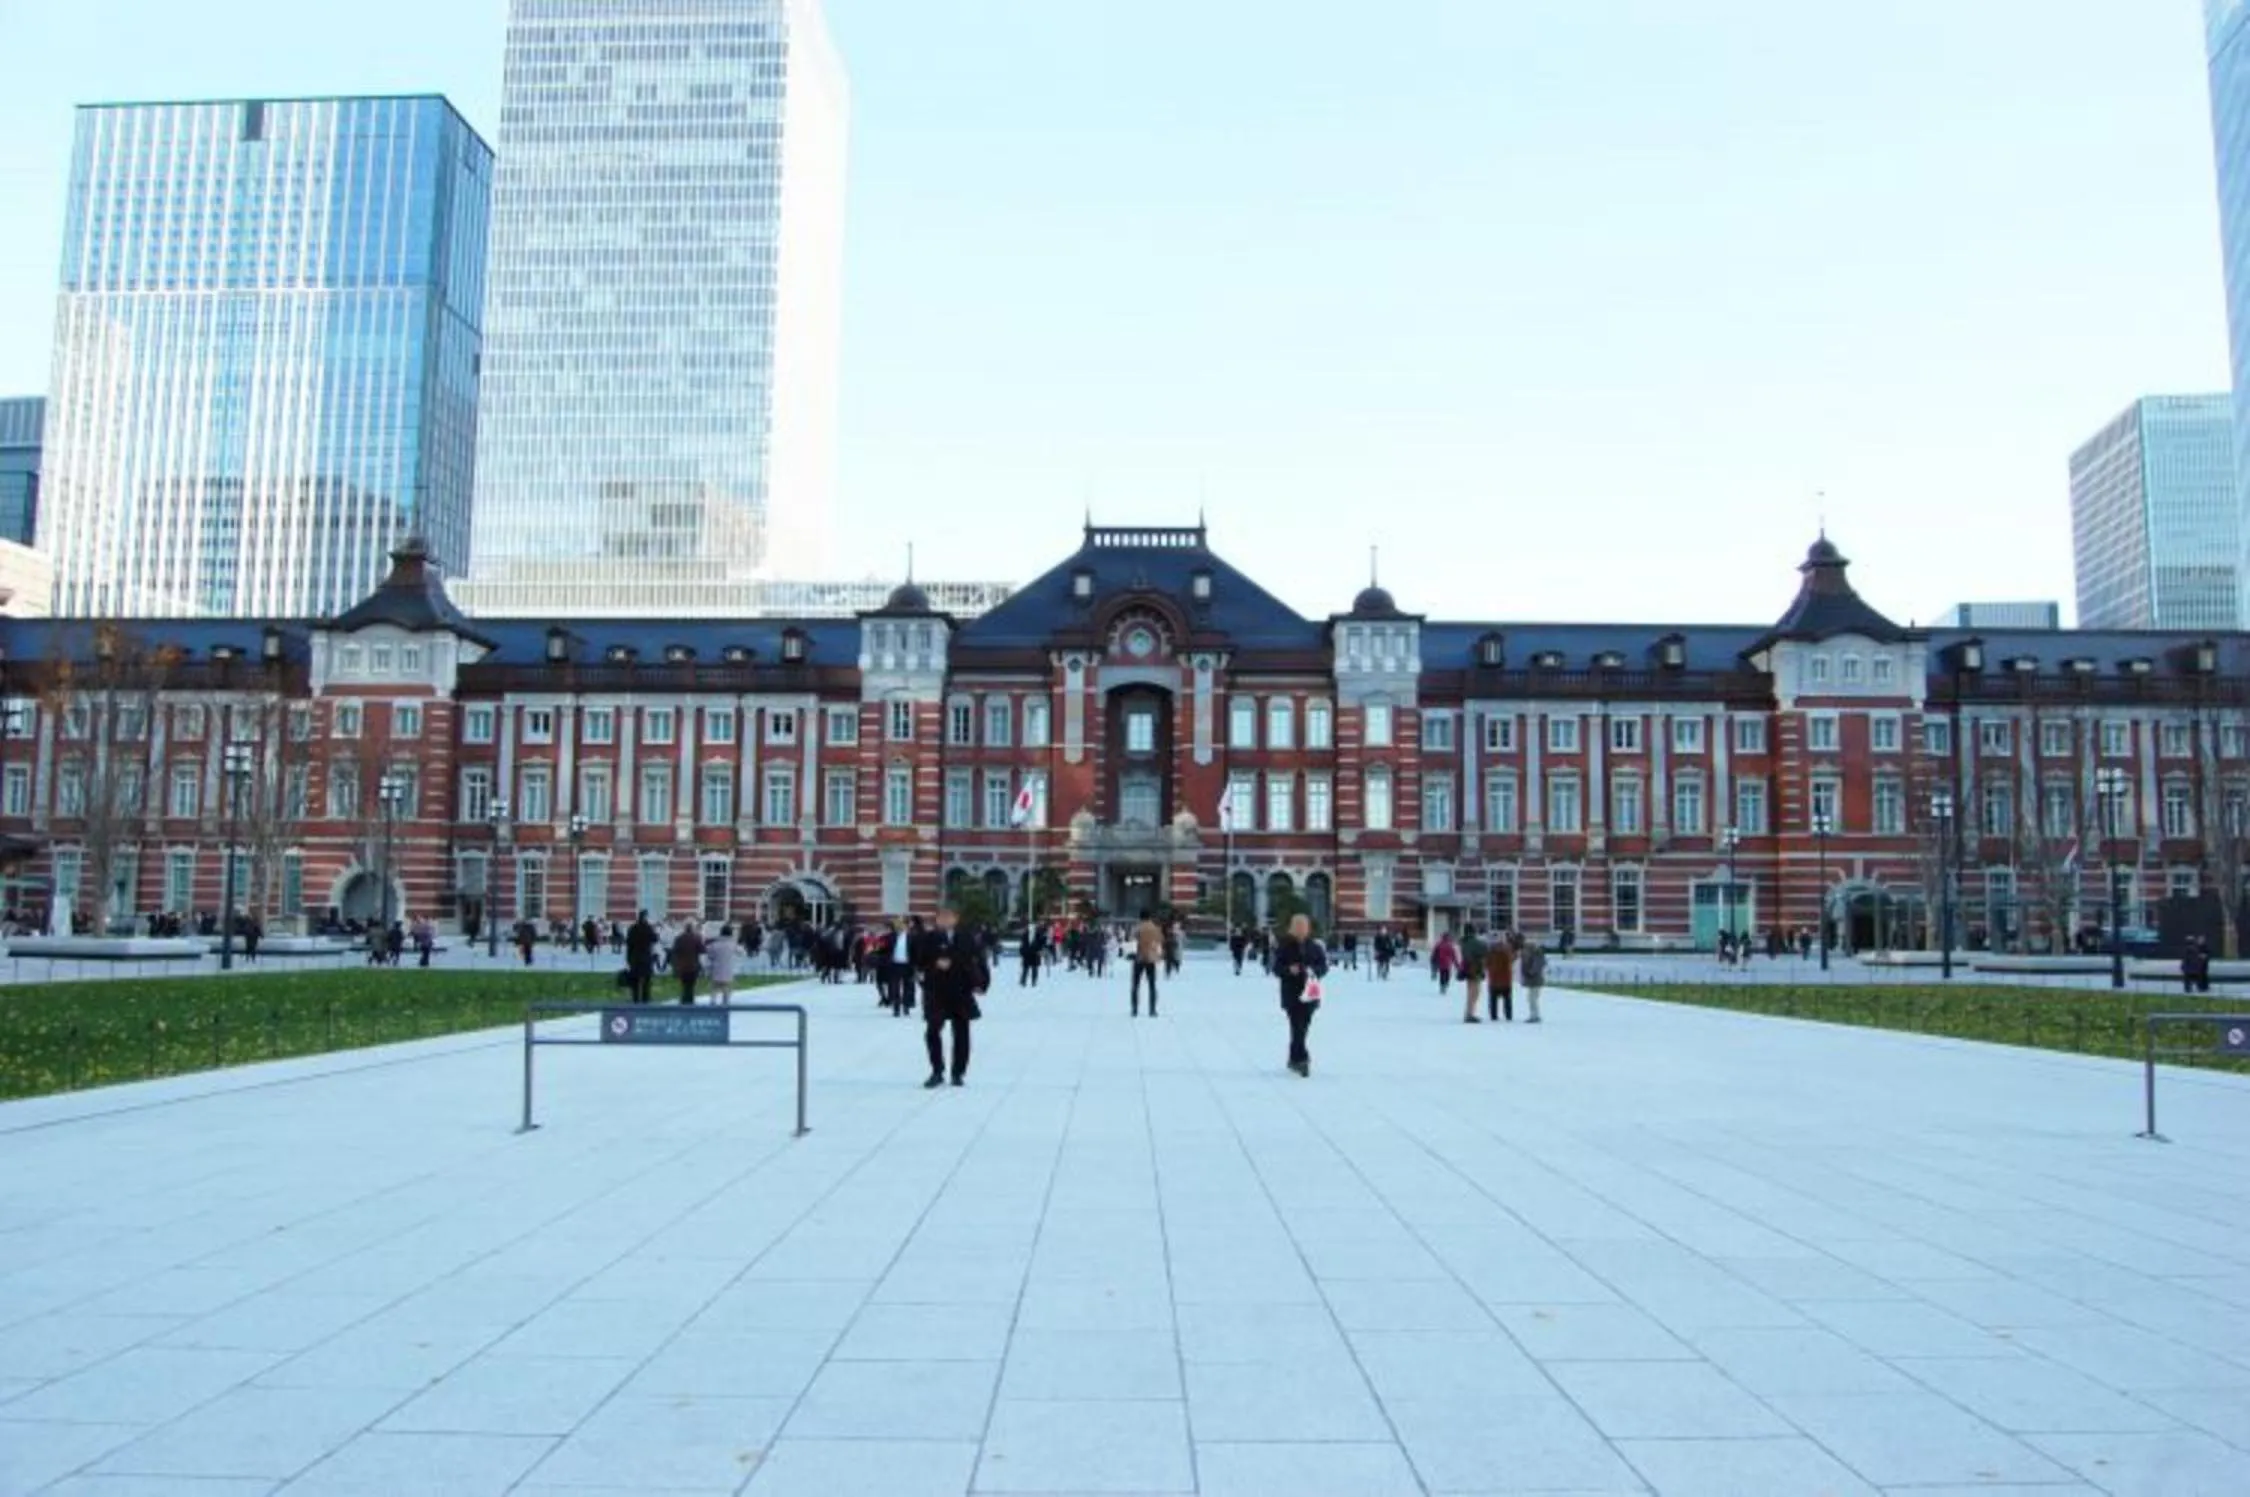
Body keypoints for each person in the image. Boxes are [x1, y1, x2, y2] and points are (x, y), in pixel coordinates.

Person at [916, 905, 987, 1088]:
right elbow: (918, 961)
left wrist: (981, 983)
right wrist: (934, 963)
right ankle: (937, 1071)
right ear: (937, 919)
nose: (946, 920)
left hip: (960, 991)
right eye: (942, 917)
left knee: (961, 1033)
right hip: (936, 991)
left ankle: (958, 1073)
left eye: (949, 917)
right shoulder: (928, 938)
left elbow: (978, 960)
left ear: (956, 919)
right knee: (932, 1031)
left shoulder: (966, 937)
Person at [1273, 913, 1329, 1077]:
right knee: (1297, 1026)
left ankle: (1294, 1058)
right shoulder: (1284, 946)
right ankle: (1303, 1060)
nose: (1301, 930)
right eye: (1298, 927)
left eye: (1304, 927)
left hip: (1310, 992)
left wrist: (1314, 971)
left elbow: (1323, 966)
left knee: (1302, 1027)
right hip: (1291, 993)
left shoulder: (1315, 946)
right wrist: (1289, 970)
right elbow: (1276, 968)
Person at [1131, 909, 1163, 1017]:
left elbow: (1131, 941)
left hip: (1139, 958)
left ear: (1140, 917)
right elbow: (1160, 942)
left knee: (1135, 985)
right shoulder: (1155, 928)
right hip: (1151, 958)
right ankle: (1152, 1010)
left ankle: (1134, 1009)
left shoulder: (1137, 928)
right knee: (1152, 985)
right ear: (1150, 917)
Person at [624, 910, 659, 1004]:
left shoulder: (633, 928)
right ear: (646, 917)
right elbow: (655, 939)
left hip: (634, 958)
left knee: (635, 981)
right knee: (646, 981)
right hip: (646, 958)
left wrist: (628, 958)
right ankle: (645, 999)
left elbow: (628, 943)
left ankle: (635, 999)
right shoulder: (648, 928)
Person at [670, 919, 707, 1004]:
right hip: (693, 966)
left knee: (684, 985)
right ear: (692, 928)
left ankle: (683, 1001)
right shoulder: (696, 938)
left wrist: (675, 965)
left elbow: (675, 952)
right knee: (691, 986)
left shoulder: (679, 938)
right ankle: (690, 1002)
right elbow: (703, 950)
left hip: (682, 966)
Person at [1459, 926, 1488, 1024]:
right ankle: (1469, 1014)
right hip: (1475, 968)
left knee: (1470, 992)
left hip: (1467, 968)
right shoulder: (1475, 942)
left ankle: (1468, 1013)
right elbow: (1485, 950)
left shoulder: (1464, 942)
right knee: (1474, 993)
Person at [1484, 933, 1515, 1022]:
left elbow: (1486, 964)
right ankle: (1508, 1015)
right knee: (1507, 999)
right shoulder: (1506, 950)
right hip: (1506, 979)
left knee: (1493, 999)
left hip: (1494, 979)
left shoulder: (1490, 952)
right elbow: (1512, 959)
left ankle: (1494, 1016)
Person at [707, 922, 740, 1003]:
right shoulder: (733, 944)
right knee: (726, 989)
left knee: (714, 988)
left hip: (716, 969)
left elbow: (709, 955)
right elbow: (741, 952)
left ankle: (713, 1003)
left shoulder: (714, 944)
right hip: (728, 970)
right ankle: (725, 1005)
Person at [1521, 939, 1547, 1024]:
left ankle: (1534, 1016)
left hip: (1535, 980)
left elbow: (1537, 966)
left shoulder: (1537, 954)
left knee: (1532, 998)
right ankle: (1534, 1015)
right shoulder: (1530, 954)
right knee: (1531, 998)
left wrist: (1530, 972)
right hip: (1533, 980)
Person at [1432, 931, 1460, 997]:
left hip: (1440, 963)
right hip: (1447, 963)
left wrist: (1434, 961)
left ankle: (1442, 986)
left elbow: (1434, 954)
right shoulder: (1450, 946)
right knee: (1447, 974)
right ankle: (1446, 984)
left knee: (1442, 974)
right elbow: (1454, 956)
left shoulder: (1438, 945)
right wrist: (1457, 965)